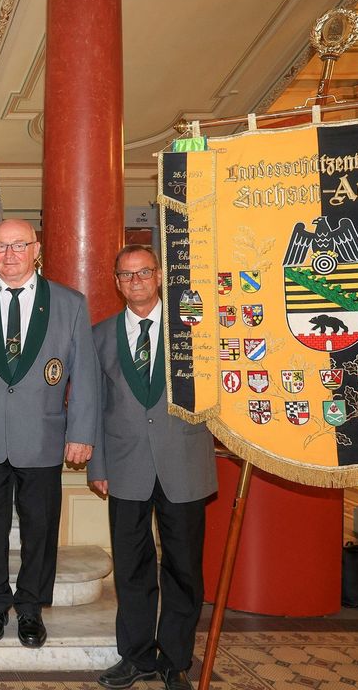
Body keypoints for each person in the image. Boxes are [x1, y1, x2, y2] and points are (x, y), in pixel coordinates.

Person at [0, 218, 100, 649]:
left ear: (36, 249)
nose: (9, 255)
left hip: (44, 437)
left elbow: (85, 374)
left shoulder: (69, 303)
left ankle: (30, 608)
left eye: (18, 246)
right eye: (0, 247)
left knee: (40, 527)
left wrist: (81, 430)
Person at [90, 245, 216, 690]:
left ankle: (175, 659)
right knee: (131, 566)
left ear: (159, 276)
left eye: (144, 272)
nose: (136, 281)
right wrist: (97, 465)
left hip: (184, 463)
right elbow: (95, 406)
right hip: (124, 468)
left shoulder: (194, 329)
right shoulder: (101, 335)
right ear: (117, 282)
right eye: (127, 275)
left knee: (183, 567)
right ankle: (137, 655)